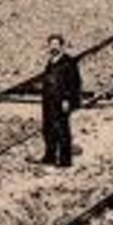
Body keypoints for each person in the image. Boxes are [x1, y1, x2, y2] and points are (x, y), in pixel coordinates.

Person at [38, 33, 83, 166]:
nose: (53, 48)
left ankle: (65, 160)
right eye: (51, 45)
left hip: (61, 102)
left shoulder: (68, 62)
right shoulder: (51, 62)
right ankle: (50, 156)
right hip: (48, 101)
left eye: (56, 45)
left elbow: (75, 83)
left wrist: (67, 100)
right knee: (48, 129)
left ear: (62, 46)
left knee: (62, 130)